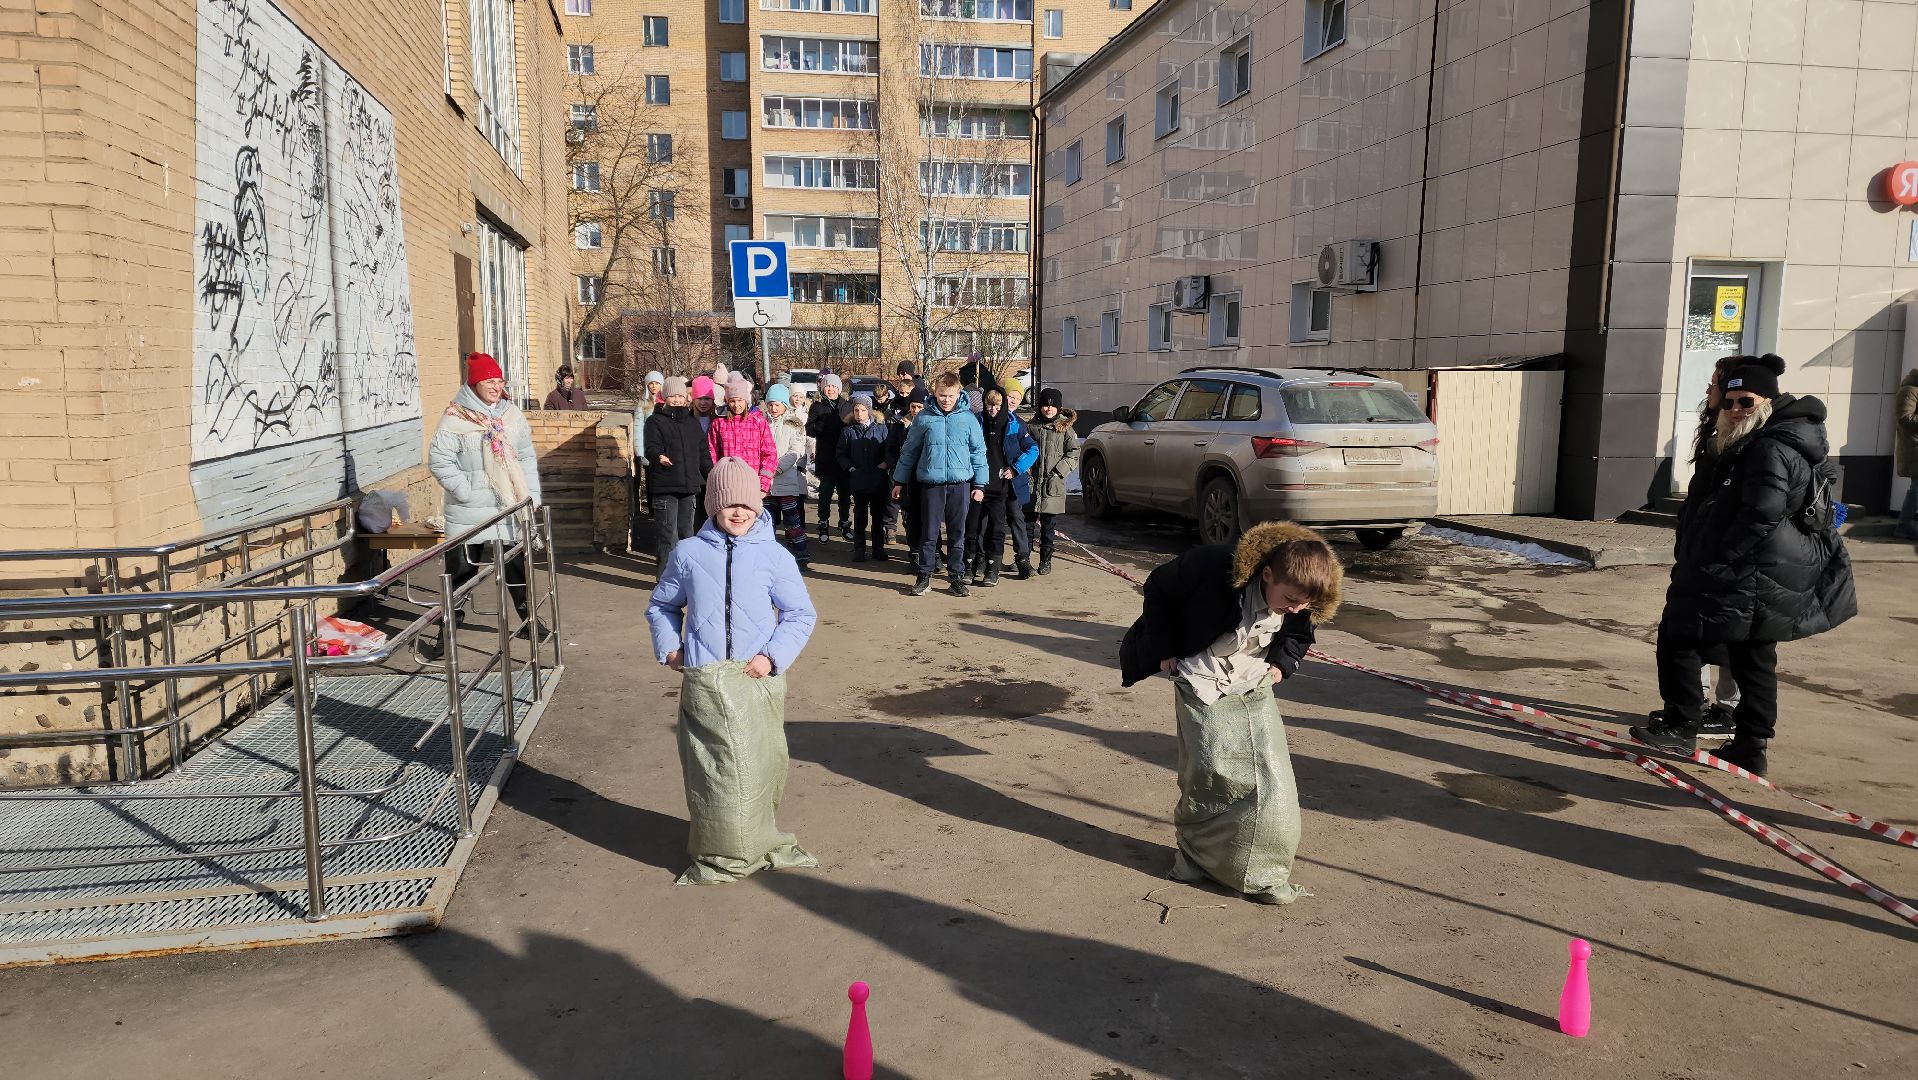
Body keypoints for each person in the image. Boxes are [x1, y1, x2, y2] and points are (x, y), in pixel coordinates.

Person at [1631, 356, 1858, 777]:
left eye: (1746, 401)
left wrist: (1721, 558)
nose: (1735, 409)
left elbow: (1761, 513)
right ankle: (1750, 747)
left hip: (1747, 572)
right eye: (1730, 401)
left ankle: (1684, 726)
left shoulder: (1767, 447)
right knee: (1752, 656)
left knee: (1681, 636)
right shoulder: (1750, 442)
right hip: (1755, 572)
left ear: (1767, 403)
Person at [1117, 522, 1343, 906]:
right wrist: (1166, 648)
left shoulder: (1305, 596)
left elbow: (1299, 635)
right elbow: (1158, 588)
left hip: (1251, 673)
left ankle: (1264, 874)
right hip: (1199, 666)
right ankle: (1195, 861)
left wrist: (1282, 665)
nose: (1296, 609)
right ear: (1267, 574)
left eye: (1303, 605)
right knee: (1209, 770)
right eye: (1289, 600)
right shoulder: (1212, 566)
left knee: (1271, 777)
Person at [646, 457, 819, 885]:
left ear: (759, 505)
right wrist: (671, 648)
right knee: (714, 772)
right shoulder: (687, 554)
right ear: (712, 507)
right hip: (705, 680)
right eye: (729, 505)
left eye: (747, 504)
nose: (738, 512)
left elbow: (800, 614)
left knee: (759, 766)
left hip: (755, 678)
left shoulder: (775, 557)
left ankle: (755, 841)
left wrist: (771, 657)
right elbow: (662, 606)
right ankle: (717, 850)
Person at [426, 353, 543, 659]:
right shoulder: (455, 417)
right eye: (489, 381)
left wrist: (531, 495)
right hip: (469, 510)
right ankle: (447, 631)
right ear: (475, 383)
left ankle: (530, 621)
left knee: (517, 565)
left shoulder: (511, 415)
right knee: (462, 571)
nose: (495, 386)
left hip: (509, 506)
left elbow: (526, 457)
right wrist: (466, 493)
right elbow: (440, 461)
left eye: (499, 380)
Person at [891, 372, 988, 597]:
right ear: (935, 392)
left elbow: (978, 453)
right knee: (929, 532)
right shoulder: (924, 418)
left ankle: (956, 577)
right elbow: (909, 451)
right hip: (931, 485)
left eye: (950, 395)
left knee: (957, 533)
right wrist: (899, 480)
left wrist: (980, 484)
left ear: (958, 393)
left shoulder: (968, 419)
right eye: (942, 395)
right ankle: (924, 576)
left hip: (960, 484)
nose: (946, 399)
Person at [964, 388, 1037, 587]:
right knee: (975, 526)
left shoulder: (1015, 424)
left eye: (997, 405)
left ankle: (1018, 561)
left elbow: (1032, 449)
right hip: (979, 483)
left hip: (1007, 485)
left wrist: (1016, 468)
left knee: (1007, 523)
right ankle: (976, 563)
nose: (993, 409)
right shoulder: (976, 421)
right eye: (989, 405)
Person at [641, 376, 712, 567]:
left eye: (681, 396)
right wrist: (658, 456)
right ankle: (665, 579)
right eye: (673, 396)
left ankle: (685, 576)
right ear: (665, 397)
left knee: (686, 534)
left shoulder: (692, 424)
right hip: (665, 486)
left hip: (688, 488)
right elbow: (651, 447)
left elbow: (703, 455)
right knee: (667, 534)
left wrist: (713, 476)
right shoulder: (655, 421)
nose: (677, 400)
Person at [1026, 387, 1080, 576]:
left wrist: (1059, 471)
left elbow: (1073, 453)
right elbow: (1023, 448)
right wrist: (1025, 468)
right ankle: (1024, 560)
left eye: (1052, 406)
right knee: (1027, 525)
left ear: (1058, 407)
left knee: (1048, 527)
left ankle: (1045, 560)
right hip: (1032, 483)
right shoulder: (1031, 427)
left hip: (1052, 485)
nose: (1048, 409)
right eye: (1045, 405)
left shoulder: (1065, 429)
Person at [836, 392, 891, 562]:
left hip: (878, 480)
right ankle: (859, 548)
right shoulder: (848, 431)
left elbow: (890, 449)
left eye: (862, 410)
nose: (859, 414)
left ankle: (878, 548)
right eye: (856, 410)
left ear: (869, 410)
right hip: (858, 480)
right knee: (860, 516)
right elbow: (841, 453)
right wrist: (850, 467)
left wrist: (886, 463)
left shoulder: (881, 429)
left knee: (878, 516)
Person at [764, 383, 812, 569]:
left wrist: (776, 468)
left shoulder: (795, 424)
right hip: (766, 484)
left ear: (785, 404)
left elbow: (796, 451)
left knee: (792, 523)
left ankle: (800, 556)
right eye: (771, 404)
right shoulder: (761, 423)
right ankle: (770, 559)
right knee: (768, 524)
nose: (774, 409)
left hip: (786, 481)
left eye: (777, 404)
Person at [707, 375, 777, 492]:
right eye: (732, 401)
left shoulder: (759, 421)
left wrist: (764, 483)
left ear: (746, 400)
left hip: (753, 483)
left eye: (740, 400)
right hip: (727, 483)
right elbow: (712, 453)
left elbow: (770, 454)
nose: (736, 405)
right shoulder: (719, 423)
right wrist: (717, 478)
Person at [883, 388, 928, 561]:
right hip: (905, 476)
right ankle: (914, 552)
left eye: (919, 407)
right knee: (909, 515)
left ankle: (934, 552)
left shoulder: (931, 423)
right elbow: (891, 447)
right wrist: (895, 465)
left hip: (925, 476)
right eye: (913, 406)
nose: (916, 411)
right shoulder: (901, 424)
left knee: (929, 516)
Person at [808, 374, 853, 544]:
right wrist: (817, 426)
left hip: (844, 458)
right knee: (825, 493)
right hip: (826, 457)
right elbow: (809, 430)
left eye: (834, 387)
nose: (831, 389)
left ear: (839, 389)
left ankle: (844, 523)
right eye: (828, 386)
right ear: (823, 388)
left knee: (844, 495)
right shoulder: (817, 406)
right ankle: (823, 522)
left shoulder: (847, 406)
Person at [999, 378, 1036, 575]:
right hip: (992, 483)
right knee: (987, 521)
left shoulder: (1020, 424)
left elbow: (1032, 450)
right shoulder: (989, 419)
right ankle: (985, 560)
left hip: (1014, 482)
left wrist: (1016, 468)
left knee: (1016, 518)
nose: (1012, 401)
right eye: (1010, 396)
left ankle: (1023, 558)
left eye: (1017, 398)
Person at [630, 370, 666, 553]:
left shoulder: (667, 402)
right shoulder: (642, 405)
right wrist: (640, 452)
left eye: (656, 383)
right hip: (649, 453)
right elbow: (638, 429)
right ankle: (653, 512)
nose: (653, 386)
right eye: (650, 383)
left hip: (665, 452)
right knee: (651, 485)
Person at [1896, 366, 1918, 541]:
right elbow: (1905, 418)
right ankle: (1905, 525)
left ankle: (1909, 524)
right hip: (1914, 448)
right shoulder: (1910, 390)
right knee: (1916, 489)